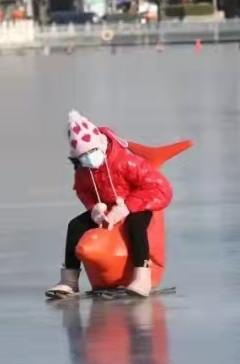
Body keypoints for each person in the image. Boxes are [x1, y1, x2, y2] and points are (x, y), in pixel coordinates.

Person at [46, 110, 173, 299]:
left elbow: (160, 188)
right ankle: (69, 279)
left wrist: (127, 207)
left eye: (91, 152)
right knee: (75, 226)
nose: (88, 158)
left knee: (136, 226)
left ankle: (142, 275)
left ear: (100, 145)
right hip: (107, 208)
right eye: (83, 156)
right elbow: (84, 190)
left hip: (136, 204)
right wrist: (94, 208)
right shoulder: (84, 169)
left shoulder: (126, 161)